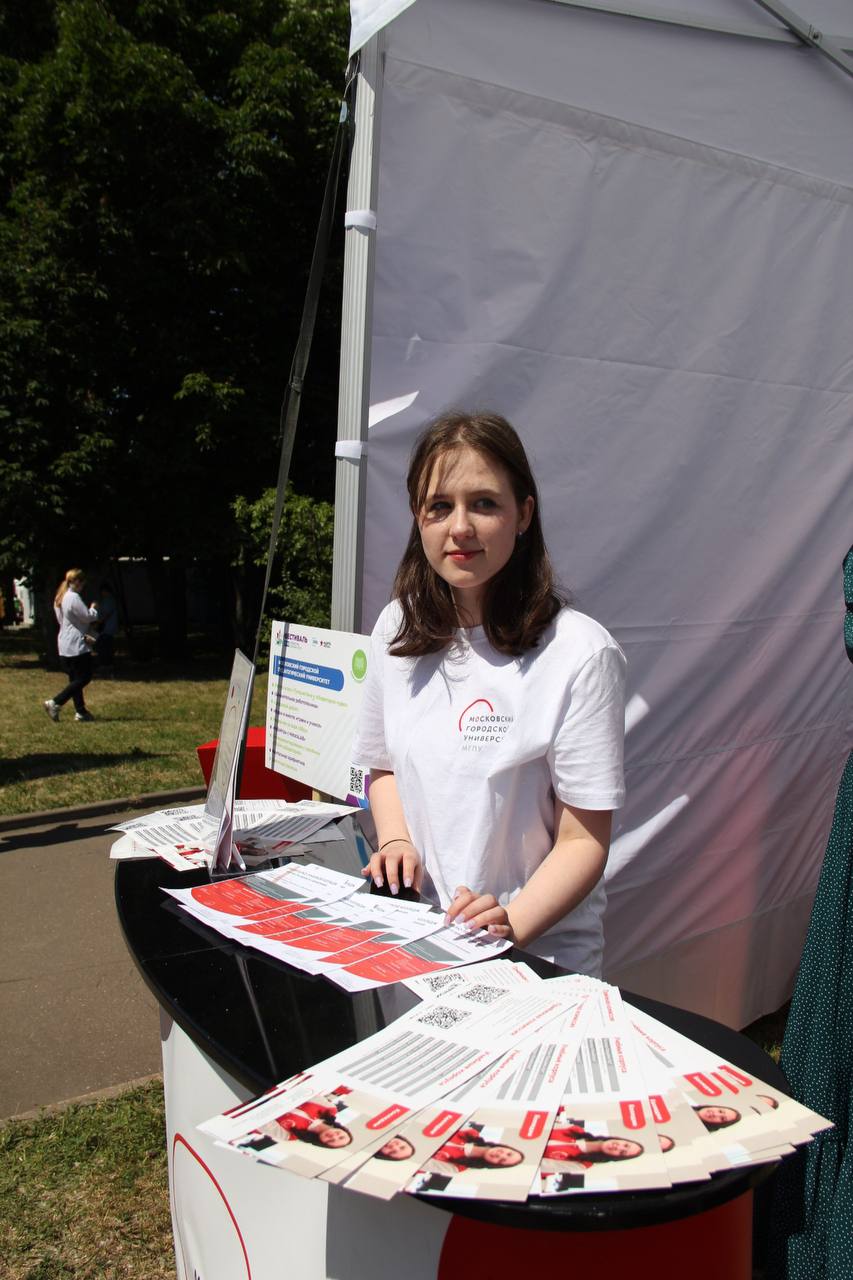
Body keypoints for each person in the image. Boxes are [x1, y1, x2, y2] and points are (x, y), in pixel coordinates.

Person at [352, 411, 627, 976]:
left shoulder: (579, 653)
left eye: (484, 503)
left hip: (535, 958)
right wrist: (396, 840)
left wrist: (509, 922)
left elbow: (584, 843)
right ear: (417, 517)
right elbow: (382, 770)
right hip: (419, 943)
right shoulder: (394, 630)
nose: (460, 527)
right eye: (439, 506)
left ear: (523, 514)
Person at [44, 568, 98, 722]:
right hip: (76, 644)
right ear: (78, 582)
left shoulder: (59, 597)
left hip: (65, 642)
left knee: (75, 679)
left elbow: (63, 621)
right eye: (82, 583)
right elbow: (87, 617)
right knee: (84, 677)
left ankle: (81, 711)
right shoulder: (73, 597)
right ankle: (55, 702)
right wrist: (93, 609)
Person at [543, 1121, 644, 1166]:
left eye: (622, 1153)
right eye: (625, 1145)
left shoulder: (583, 1164)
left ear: (616, 1158)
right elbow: (544, 1126)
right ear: (622, 1139)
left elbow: (543, 1166)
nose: (618, 1147)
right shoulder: (576, 1129)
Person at [431, 1125, 524, 1171]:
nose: (500, 1154)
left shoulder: (458, 1167)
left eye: (501, 1160)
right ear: (506, 1147)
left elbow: (419, 1162)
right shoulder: (471, 1132)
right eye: (509, 1153)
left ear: (494, 1165)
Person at [266, 1099, 352, 1149]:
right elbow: (307, 1091)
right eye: (341, 1136)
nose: (333, 1136)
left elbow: (261, 1120)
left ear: (321, 1143)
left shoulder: (289, 1136)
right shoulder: (330, 1109)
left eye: (330, 1141)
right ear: (344, 1130)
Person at [91, 581, 118, 673]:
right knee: (105, 645)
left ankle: (106, 664)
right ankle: (106, 664)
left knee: (105, 646)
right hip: (106, 628)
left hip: (107, 628)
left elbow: (106, 614)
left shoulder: (109, 600)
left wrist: (99, 623)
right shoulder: (107, 600)